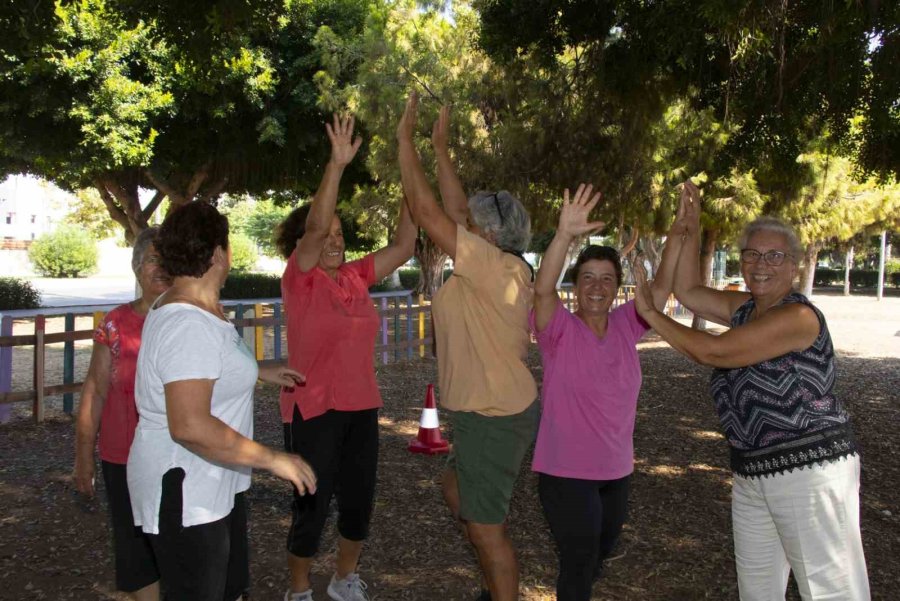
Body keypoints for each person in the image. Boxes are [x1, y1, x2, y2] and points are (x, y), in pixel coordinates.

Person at [631, 183, 870, 601]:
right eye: (752, 254)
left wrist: (651, 313)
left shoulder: (797, 317)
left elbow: (714, 351)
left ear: (793, 265)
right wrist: (687, 230)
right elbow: (688, 292)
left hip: (811, 471)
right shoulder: (744, 309)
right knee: (757, 592)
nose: (761, 264)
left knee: (832, 591)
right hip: (752, 472)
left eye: (775, 255)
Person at [127, 201, 317, 601]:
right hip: (184, 490)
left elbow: (207, 365)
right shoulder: (187, 324)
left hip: (212, 483)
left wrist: (257, 371)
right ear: (218, 254)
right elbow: (190, 425)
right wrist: (274, 459)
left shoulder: (199, 306)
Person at [397, 93, 538, 601]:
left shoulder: (492, 266)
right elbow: (454, 211)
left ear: (489, 234)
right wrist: (439, 150)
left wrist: (405, 143)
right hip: (492, 409)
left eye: (473, 227)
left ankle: (499, 590)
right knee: (455, 491)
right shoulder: (500, 263)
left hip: (492, 413)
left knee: (485, 530)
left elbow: (431, 212)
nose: (465, 229)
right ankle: (492, 577)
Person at [276, 114, 416, 601]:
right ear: (301, 246)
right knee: (312, 505)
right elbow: (314, 226)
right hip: (313, 409)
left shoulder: (355, 276)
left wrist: (410, 179)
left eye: (340, 233)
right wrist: (336, 166)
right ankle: (298, 589)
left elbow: (403, 246)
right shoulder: (300, 279)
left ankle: (342, 580)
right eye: (326, 233)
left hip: (361, 406)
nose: (334, 239)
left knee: (358, 503)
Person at [530, 183, 685, 601]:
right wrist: (563, 235)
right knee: (579, 563)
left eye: (606, 280)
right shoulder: (558, 329)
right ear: (576, 285)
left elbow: (664, 287)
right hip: (565, 472)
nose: (596, 287)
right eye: (587, 279)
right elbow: (542, 290)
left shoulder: (625, 325)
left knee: (596, 558)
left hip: (616, 471)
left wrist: (679, 234)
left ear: (617, 286)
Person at [73, 227, 170, 601]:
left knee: (177, 543)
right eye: (150, 259)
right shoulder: (115, 324)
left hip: (178, 455)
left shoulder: (192, 318)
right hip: (123, 456)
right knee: (135, 547)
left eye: (167, 259)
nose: (159, 268)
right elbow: (95, 391)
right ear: (136, 268)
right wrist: (84, 457)